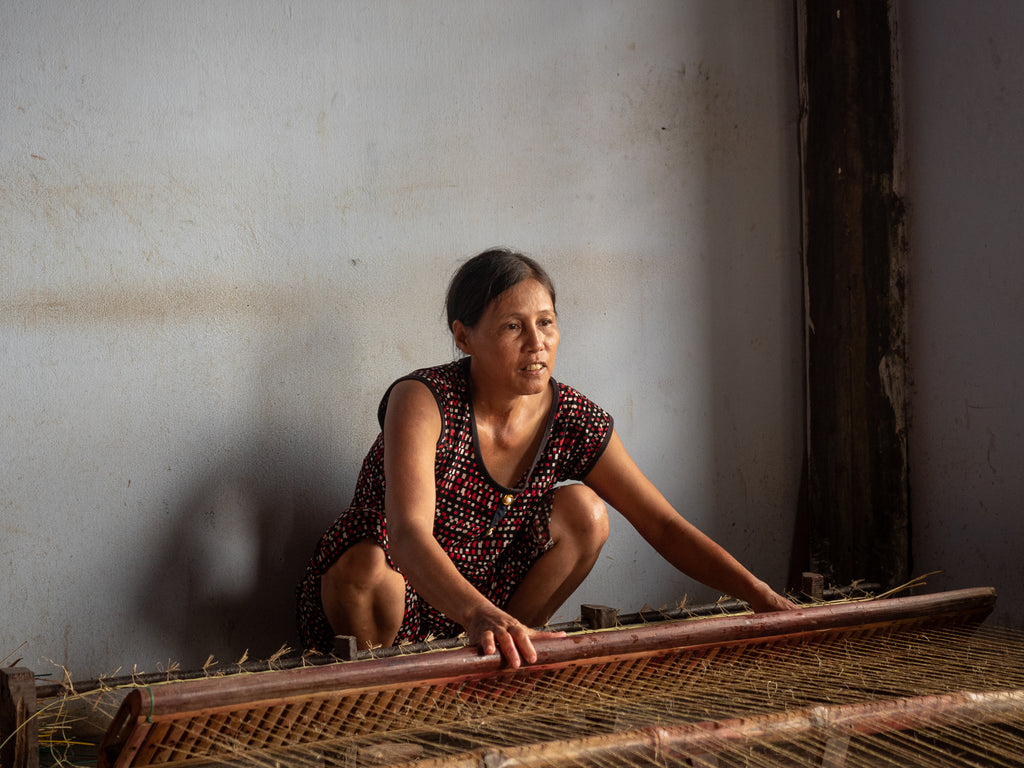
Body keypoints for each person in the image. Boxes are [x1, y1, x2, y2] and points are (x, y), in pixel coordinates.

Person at [296, 248, 795, 668]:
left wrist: (756, 593)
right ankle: (390, 698)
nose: (537, 344)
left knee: (586, 512)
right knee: (364, 566)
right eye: (513, 327)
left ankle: (506, 661)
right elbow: (407, 537)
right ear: (464, 337)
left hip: (493, 594)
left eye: (546, 323)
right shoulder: (422, 399)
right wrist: (474, 615)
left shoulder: (573, 417)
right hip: (403, 587)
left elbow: (660, 523)